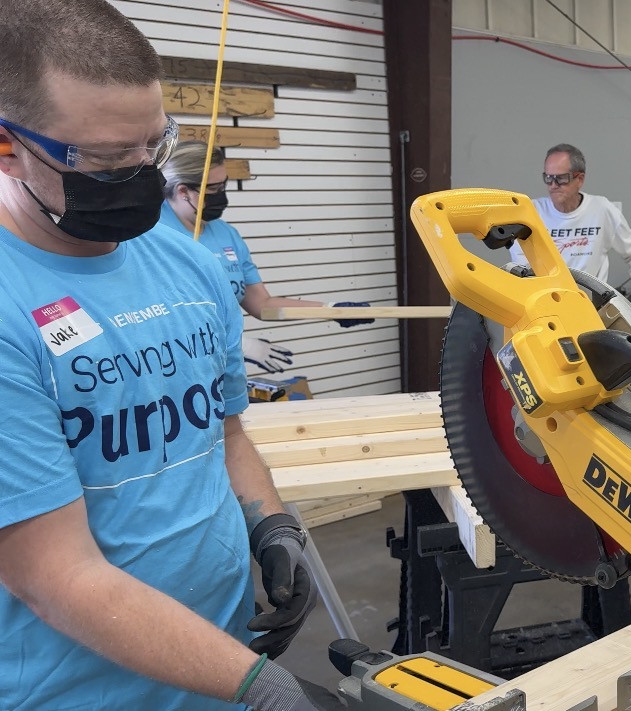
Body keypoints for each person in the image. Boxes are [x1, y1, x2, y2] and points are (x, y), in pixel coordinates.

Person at [0, 2, 334, 709]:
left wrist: (269, 522)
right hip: (78, 693)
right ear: (7, 146)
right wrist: (260, 682)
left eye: (151, 145)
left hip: (213, 667)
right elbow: (54, 571)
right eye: (104, 158)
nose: (141, 174)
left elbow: (226, 433)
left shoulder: (188, 265)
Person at [159, 140, 374, 373]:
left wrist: (330, 310)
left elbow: (262, 304)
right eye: (214, 189)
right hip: (173, 371)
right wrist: (238, 346)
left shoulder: (226, 235)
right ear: (183, 191)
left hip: (220, 373)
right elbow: (158, 318)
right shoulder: (152, 237)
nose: (222, 195)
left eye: (224, 185)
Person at [508, 143, 631, 314]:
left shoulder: (602, 210)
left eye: (561, 178)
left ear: (580, 179)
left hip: (592, 311)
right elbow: (522, 266)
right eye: (548, 177)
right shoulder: (532, 213)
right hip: (547, 310)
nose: (553, 185)